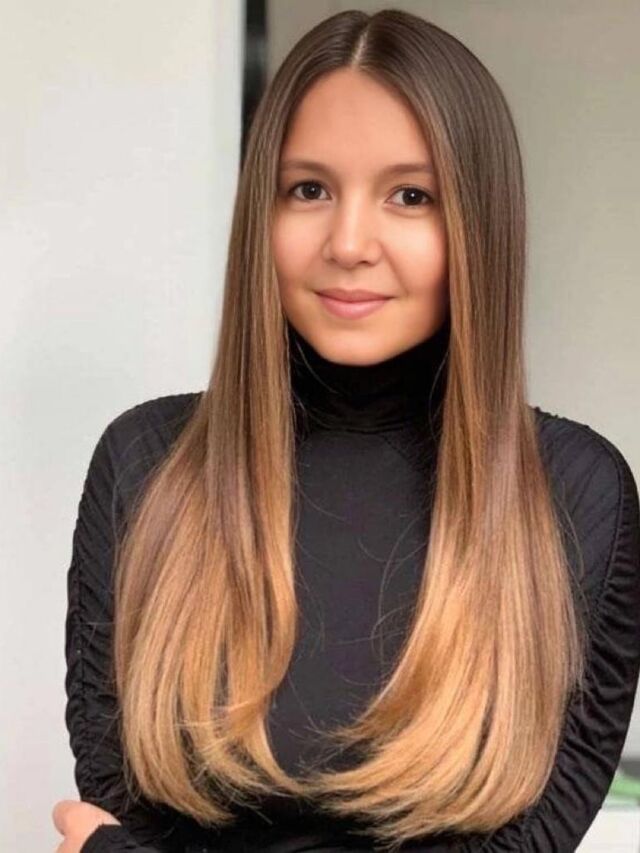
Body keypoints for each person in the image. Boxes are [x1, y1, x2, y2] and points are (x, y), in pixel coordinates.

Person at [55, 8, 640, 853]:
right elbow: (127, 808)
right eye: (310, 189)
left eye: (411, 195)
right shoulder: (145, 464)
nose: (350, 242)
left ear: (479, 223)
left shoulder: (577, 492)